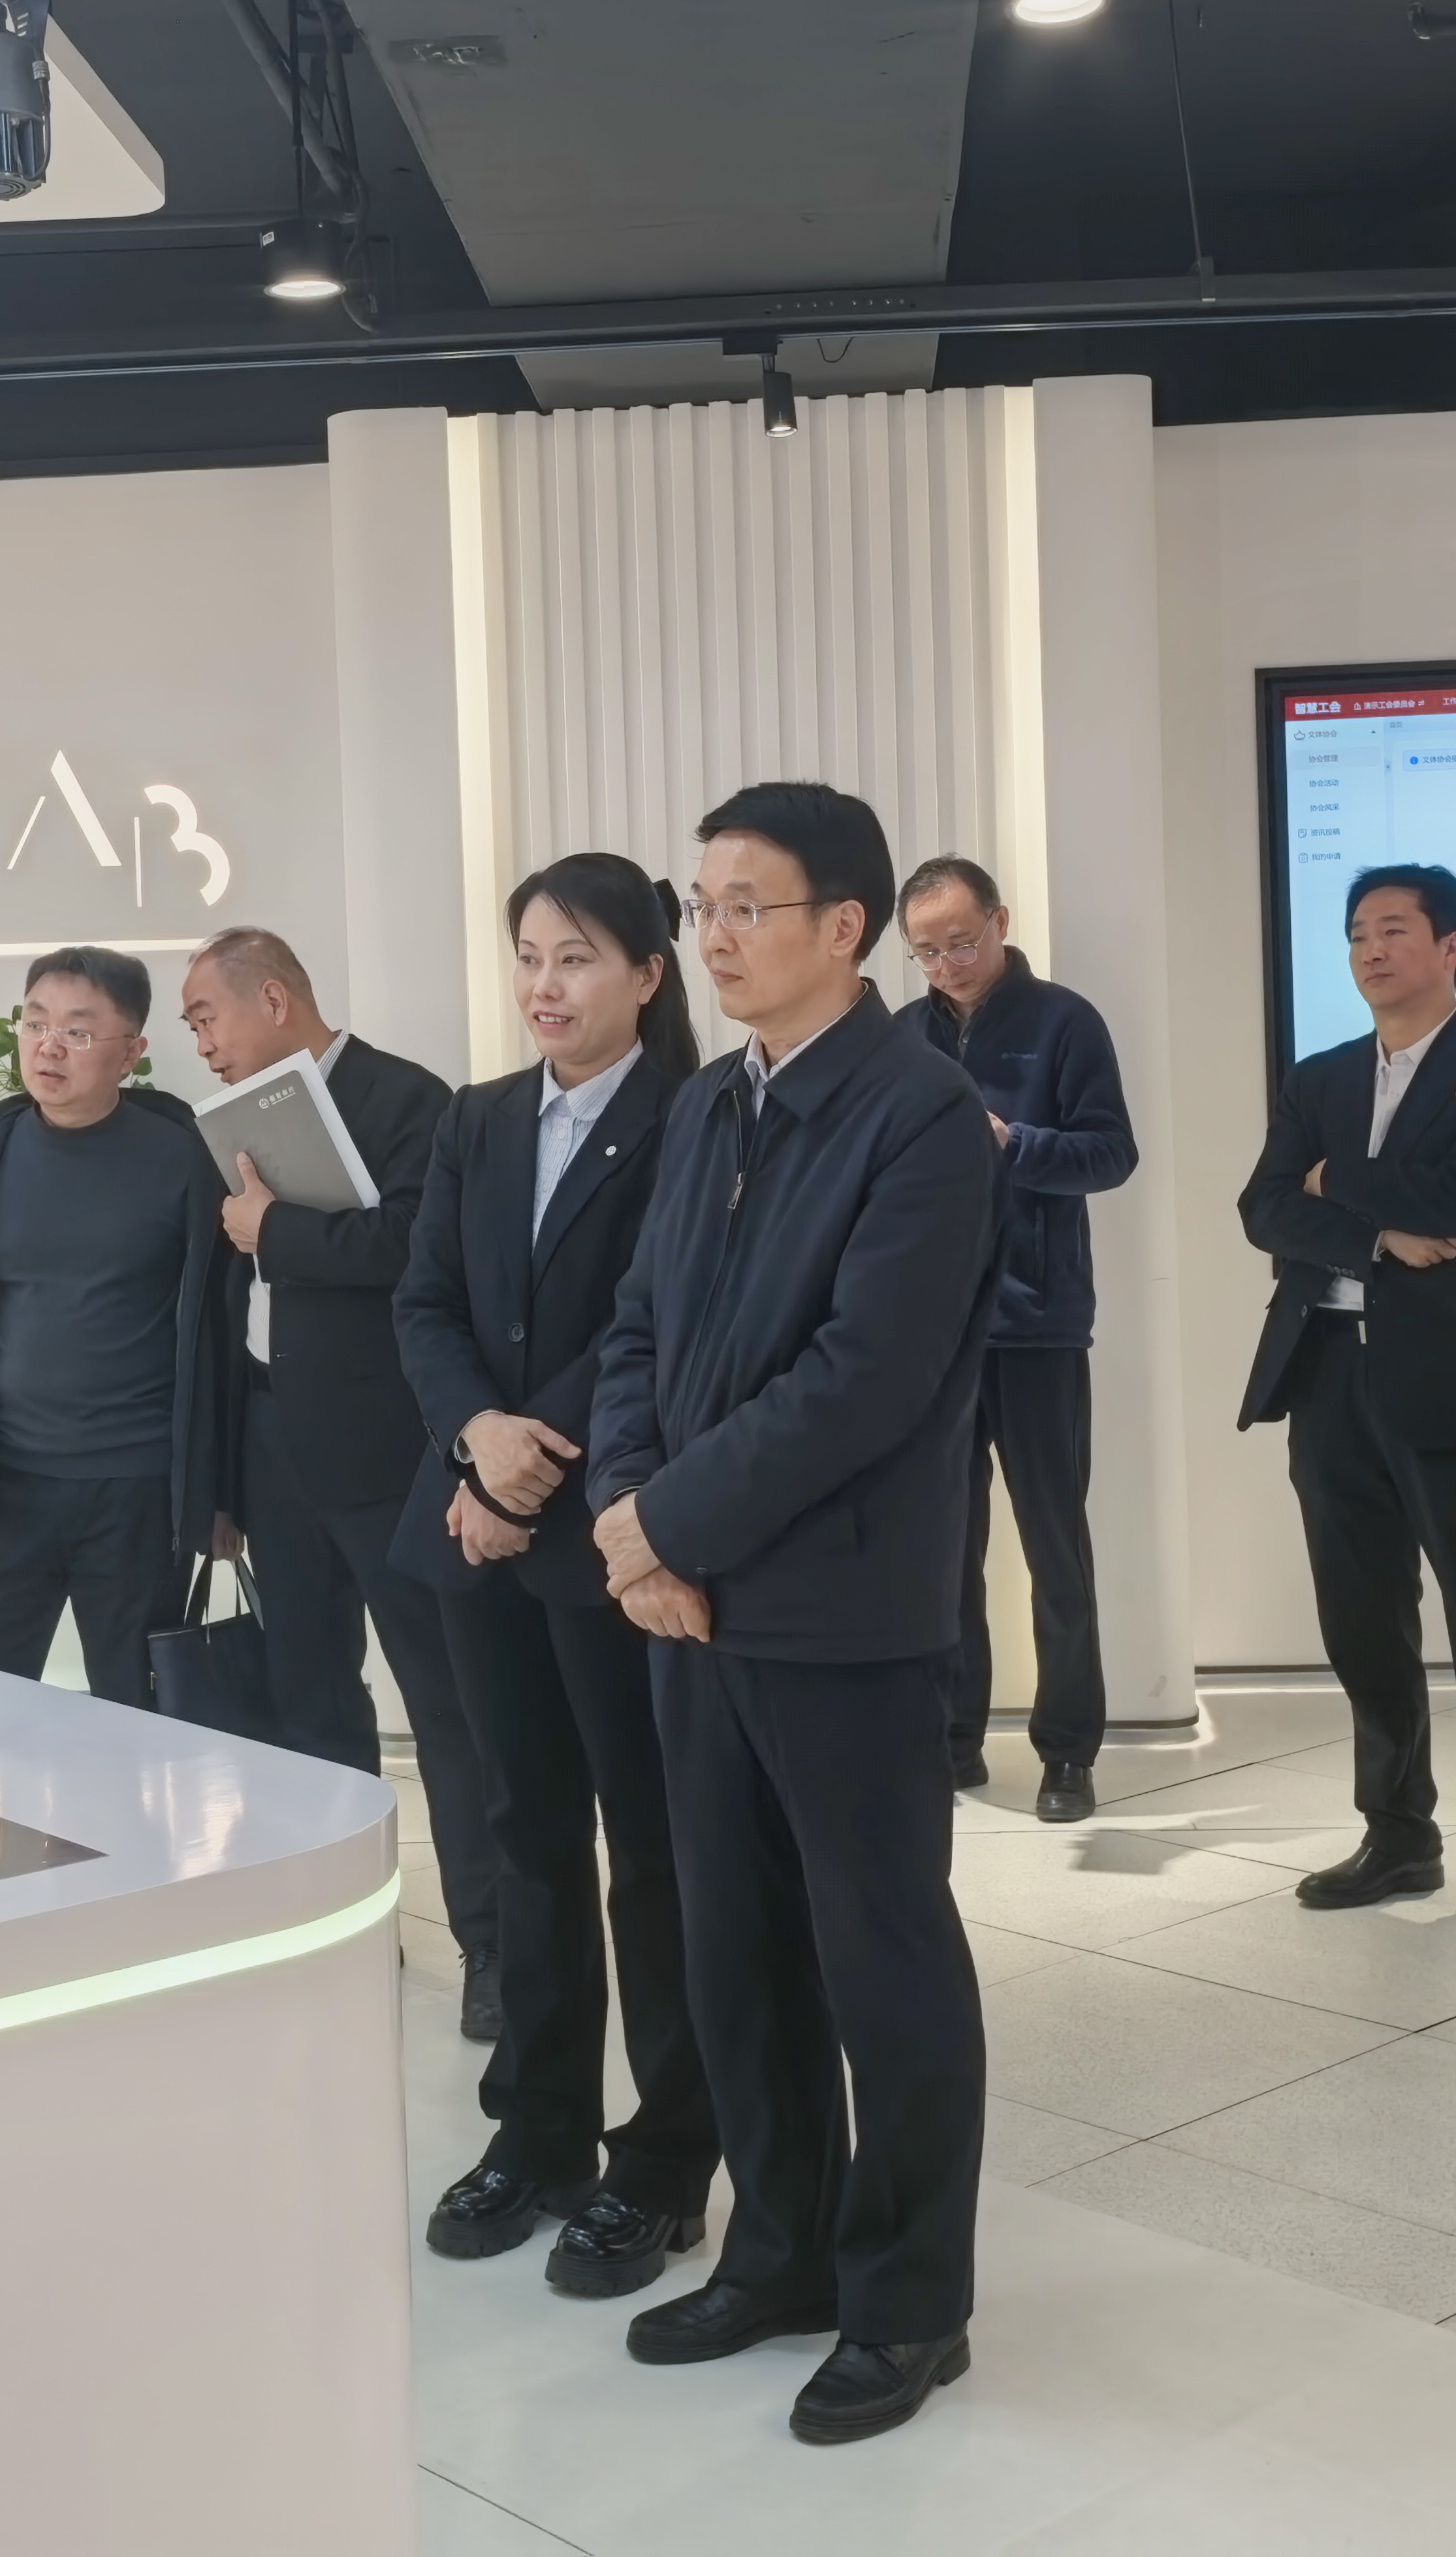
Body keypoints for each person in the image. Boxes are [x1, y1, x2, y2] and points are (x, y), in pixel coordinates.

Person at [588, 779, 997, 2448]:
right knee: (735, 1950)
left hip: (843, 1611)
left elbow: (862, 1380)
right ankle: (780, 2253)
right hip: (689, 1608)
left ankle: (908, 2299)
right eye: (701, 906)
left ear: (846, 925)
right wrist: (634, 1524)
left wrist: (661, 1521)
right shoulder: (709, 1104)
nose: (714, 936)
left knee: (878, 1961)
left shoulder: (922, 1115)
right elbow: (635, 1325)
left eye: (743, 905)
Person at [394, 855, 714, 2298]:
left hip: (610, 1539)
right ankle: (536, 2129)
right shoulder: (476, 1118)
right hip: (480, 1531)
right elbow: (425, 1303)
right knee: (522, 1834)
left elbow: (661, 1318)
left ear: (646, 974)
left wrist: (527, 1462)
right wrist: (476, 1440)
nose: (544, 984)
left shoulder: (692, 1118)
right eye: (528, 954)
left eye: (575, 957)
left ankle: (667, 2155)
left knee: (651, 1851)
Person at [180, 926, 505, 2041]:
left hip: (394, 1455)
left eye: (207, 1016)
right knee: (309, 1698)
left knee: (446, 1709)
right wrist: (222, 1472)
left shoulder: (407, 1099)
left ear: (273, 999)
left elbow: (419, 1249)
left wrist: (276, 1230)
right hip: (279, 1450)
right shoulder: (234, 1125)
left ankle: (493, 1946)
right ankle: (342, 1920)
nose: (201, 1042)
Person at [1234, 864, 1456, 1946]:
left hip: (1455, 1376)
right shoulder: (1319, 1076)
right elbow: (1261, 1207)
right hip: (1327, 1371)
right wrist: (1374, 1232)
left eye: (1392, 930)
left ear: (1449, 945)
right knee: (1361, 1621)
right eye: (1356, 934)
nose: (1370, 951)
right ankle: (1397, 1833)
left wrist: (1333, 1182)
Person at [0, 948, 240, 1703]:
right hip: (1, 1491)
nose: (48, 1047)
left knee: (137, 1715)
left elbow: (222, 1329)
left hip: (139, 1492)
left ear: (131, 1053)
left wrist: (220, 1492)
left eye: (77, 1032)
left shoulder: (187, 1159)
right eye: (35, 1024)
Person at [901, 854, 1137, 1824]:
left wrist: (1014, 1144)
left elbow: (1112, 1153)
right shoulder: (904, 1034)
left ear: (1000, 922)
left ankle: (1068, 1752)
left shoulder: (1064, 1022)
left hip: (1039, 1325)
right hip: (931, 1334)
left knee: (1055, 1547)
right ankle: (953, 1740)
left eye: (961, 943)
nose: (947, 966)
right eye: (926, 952)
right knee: (943, 1549)